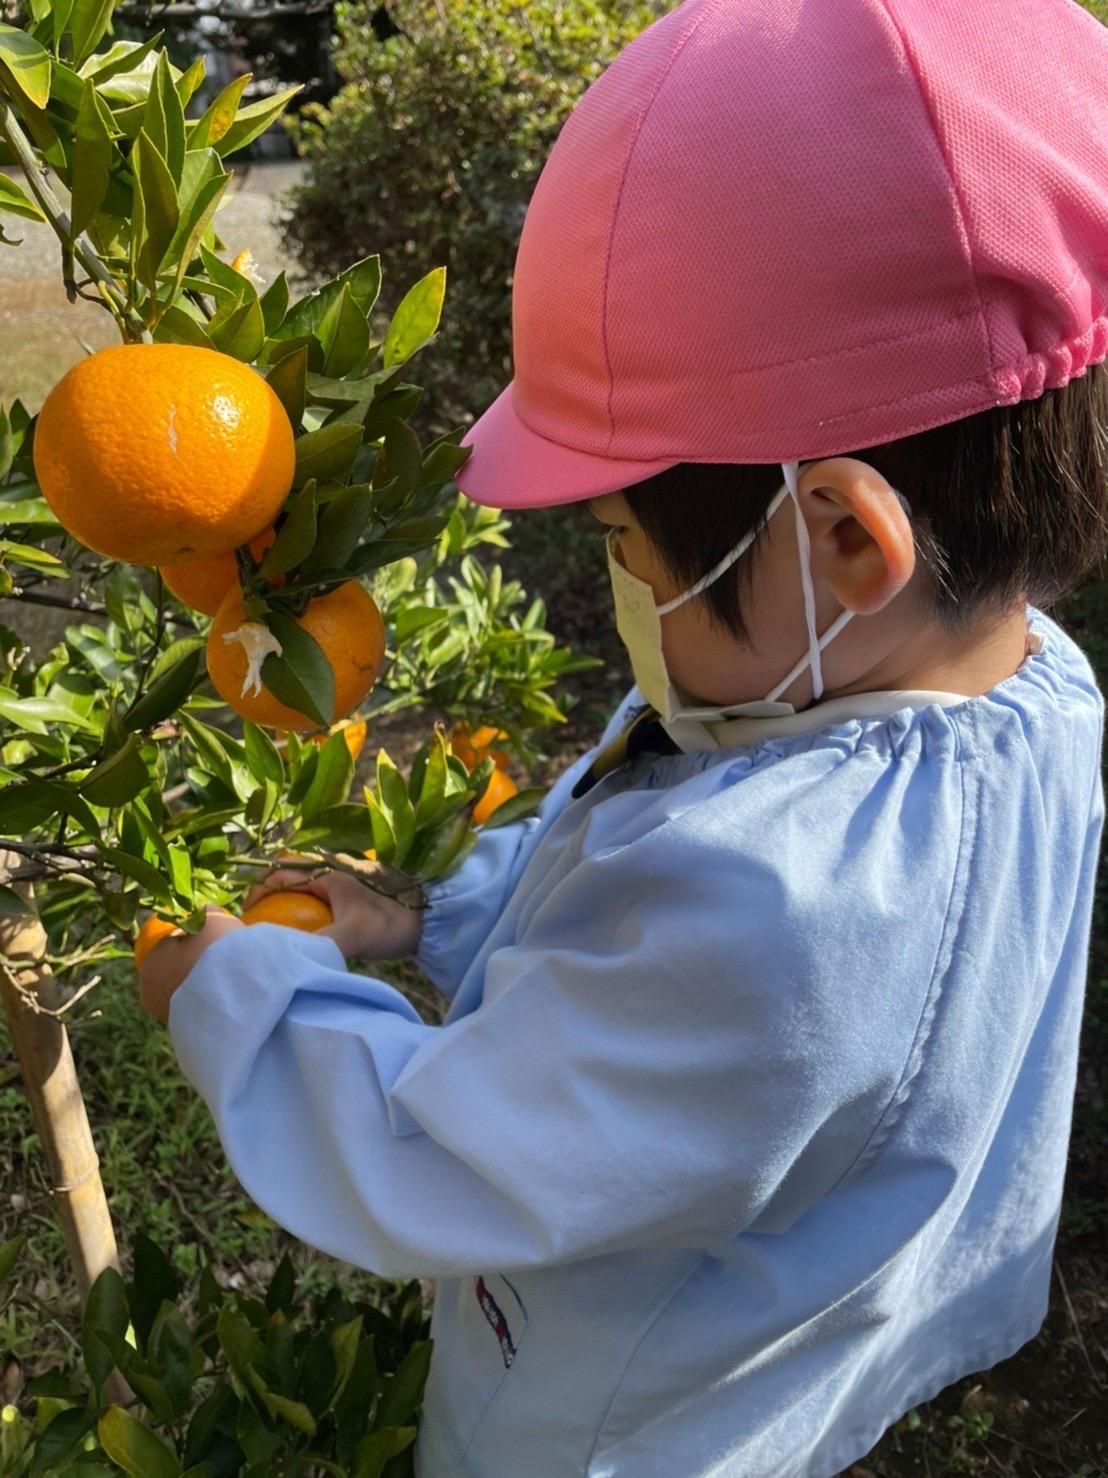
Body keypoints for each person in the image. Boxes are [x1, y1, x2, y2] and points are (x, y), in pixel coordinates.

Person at [138, 0, 1108, 1472]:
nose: (624, 594)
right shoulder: (1022, 694)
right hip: (782, 1332)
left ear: (844, 537)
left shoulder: (782, 904)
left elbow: (432, 1150)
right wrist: (434, 914)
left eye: (621, 541)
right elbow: (634, 882)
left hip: (618, 1426)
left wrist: (239, 991)